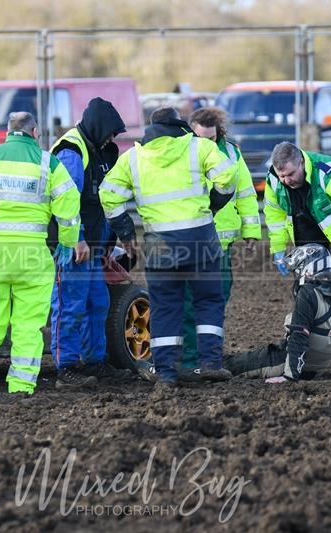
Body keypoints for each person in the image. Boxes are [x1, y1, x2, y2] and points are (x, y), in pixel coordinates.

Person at [99, 106, 238, 388]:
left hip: (160, 244)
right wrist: (212, 205)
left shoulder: (133, 158)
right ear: (178, 124)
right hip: (200, 239)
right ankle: (210, 363)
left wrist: (127, 233)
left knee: (164, 308)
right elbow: (228, 178)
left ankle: (165, 373)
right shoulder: (198, 147)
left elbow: (108, 195)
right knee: (209, 300)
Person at [0, 112, 81, 398]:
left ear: (8, 132)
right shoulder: (49, 163)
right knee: (28, 324)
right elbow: (70, 206)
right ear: (35, 132)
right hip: (33, 255)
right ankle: (21, 385)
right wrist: (67, 242)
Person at [263, 140, 331, 367]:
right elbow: (274, 216)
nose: (286, 181)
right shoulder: (274, 180)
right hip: (307, 249)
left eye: (291, 174)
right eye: (281, 176)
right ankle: (309, 351)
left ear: (301, 161)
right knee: (308, 296)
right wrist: (277, 249)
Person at [49, 97, 132, 388]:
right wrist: (78, 240)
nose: (113, 137)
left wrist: (108, 241)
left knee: (98, 303)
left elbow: (105, 200)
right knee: (70, 305)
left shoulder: (100, 150)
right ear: (99, 127)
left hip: (94, 246)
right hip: (74, 247)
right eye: (111, 131)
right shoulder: (72, 151)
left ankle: (95, 361)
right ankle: (66, 368)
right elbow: (66, 201)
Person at [176, 106, 261, 382]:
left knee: (218, 299)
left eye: (211, 139)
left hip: (222, 244)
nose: (207, 144)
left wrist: (251, 232)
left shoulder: (232, 153)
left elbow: (246, 194)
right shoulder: (183, 153)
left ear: (218, 134)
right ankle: (190, 360)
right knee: (190, 302)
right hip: (193, 240)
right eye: (201, 138)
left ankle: (209, 356)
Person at [224, 244, 331, 383]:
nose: (297, 274)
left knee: (231, 364)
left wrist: (290, 376)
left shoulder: (308, 293)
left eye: (299, 269)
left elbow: (299, 335)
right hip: (317, 369)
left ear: (308, 269)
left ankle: (207, 364)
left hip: (286, 363)